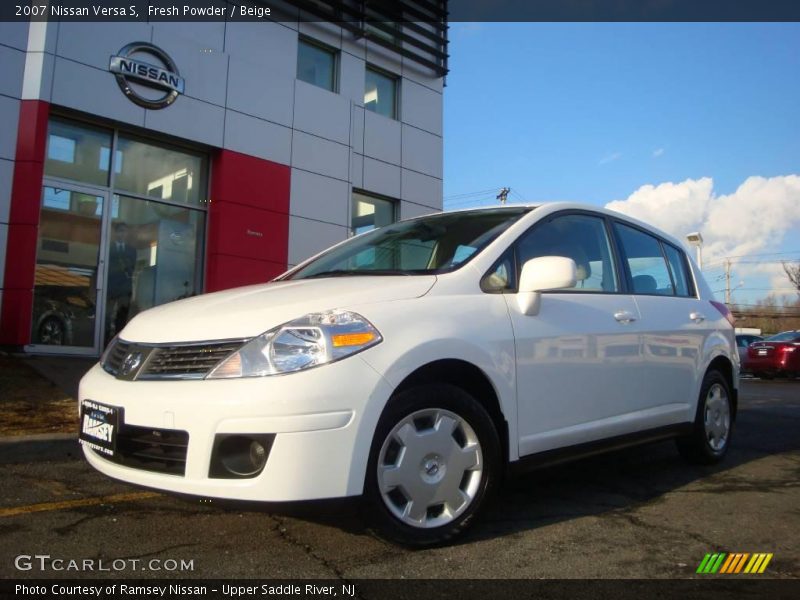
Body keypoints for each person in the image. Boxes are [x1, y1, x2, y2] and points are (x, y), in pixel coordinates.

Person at [106, 221, 137, 343]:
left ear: (127, 233)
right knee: (107, 316)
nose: (122, 234)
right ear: (116, 233)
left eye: (124, 231)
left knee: (122, 316)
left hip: (125, 289)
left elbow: (132, 269)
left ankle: (118, 342)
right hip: (110, 288)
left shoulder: (131, 250)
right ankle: (104, 342)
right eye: (120, 231)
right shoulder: (108, 248)